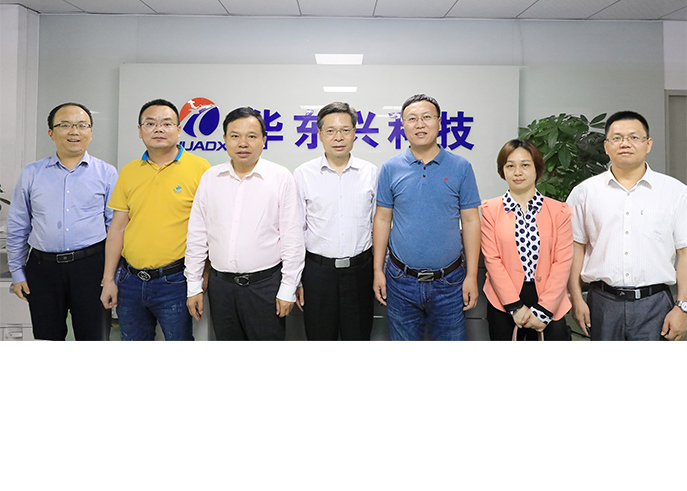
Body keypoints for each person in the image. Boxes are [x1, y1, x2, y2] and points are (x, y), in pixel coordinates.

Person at [185, 107, 305, 341]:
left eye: (251, 136)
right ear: (224, 140)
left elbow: (292, 237)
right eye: (235, 136)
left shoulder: (280, 177)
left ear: (263, 140)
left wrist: (288, 288)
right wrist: (194, 286)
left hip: (265, 286)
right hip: (221, 287)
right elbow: (197, 235)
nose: (243, 143)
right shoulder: (210, 178)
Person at [567, 110, 687, 341]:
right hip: (602, 303)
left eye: (634, 137)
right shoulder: (584, 193)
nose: (625, 143)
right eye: (617, 138)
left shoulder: (675, 192)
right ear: (606, 146)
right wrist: (577, 299)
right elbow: (575, 248)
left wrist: (683, 307)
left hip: (656, 304)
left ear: (648, 144)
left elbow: (685, 253)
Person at [372, 94, 481, 341]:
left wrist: (471, 276)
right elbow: (382, 219)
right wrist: (378, 270)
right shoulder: (390, 168)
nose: (420, 124)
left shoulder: (461, 167)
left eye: (427, 117)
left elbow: (471, 221)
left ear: (439, 122)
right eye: (412, 119)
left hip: (450, 282)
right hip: (400, 281)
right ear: (403, 125)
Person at [100, 99, 210, 341]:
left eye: (166, 123)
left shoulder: (200, 169)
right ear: (140, 131)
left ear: (179, 130)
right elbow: (117, 228)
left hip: (176, 280)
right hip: (129, 281)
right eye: (150, 123)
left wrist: (204, 273)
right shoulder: (129, 171)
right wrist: (109, 279)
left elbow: (211, 227)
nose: (158, 129)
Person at [6, 102, 117, 341]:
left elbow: (115, 229)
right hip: (43, 269)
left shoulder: (107, 173)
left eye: (82, 125)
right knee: (47, 339)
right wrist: (17, 273)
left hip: (91, 268)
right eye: (65, 125)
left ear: (90, 131)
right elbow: (18, 226)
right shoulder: (31, 173)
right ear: (51, 132)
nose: (74, 131)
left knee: (94, 340)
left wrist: (111, 276)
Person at [293, 102, 378, 341]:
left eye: (345, 130)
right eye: (330, 131)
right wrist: (296, 280)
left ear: (354, 133)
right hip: (317, 274)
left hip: (360, 272)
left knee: (358, 338)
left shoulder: (371, 173)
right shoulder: (303, 174)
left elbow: (378, 225)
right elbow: (296, 230)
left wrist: (379, 271)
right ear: (320, 134)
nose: (338, 137)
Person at [481, 140, 573, 341]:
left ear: (537, 169)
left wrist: (545, 310)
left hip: (550, 299)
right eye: (510, 166)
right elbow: (492, 260)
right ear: (502, 171)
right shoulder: (490, 210)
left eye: (525, 165)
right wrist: (514, 307)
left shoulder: (559, 211)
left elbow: (563, 262)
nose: (517, 172)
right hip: (503, 300)